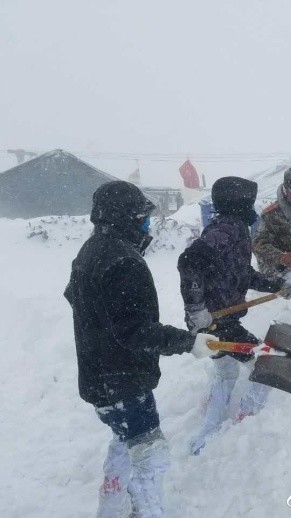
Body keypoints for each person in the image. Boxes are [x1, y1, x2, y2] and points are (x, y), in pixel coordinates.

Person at [64, 181, 218, 518]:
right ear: (125, 217)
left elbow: (75, 297)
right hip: (122, 379)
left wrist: (99, 327)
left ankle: (112, 508)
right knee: (151, 456)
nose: (146, 224)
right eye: (142, 217)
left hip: (98, 377)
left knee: (124, 443)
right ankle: (146, 511)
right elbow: (135, 330)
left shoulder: (91, 251)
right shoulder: (123, 260)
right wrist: (189, 342)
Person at [177, 176, 291, 455]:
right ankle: (246, 423)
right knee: (265, 362)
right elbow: (188, 261)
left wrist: (278, 286)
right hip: (218, 321)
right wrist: (197, 310)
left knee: (225, 372)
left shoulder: (232, 229)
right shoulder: (229, 230)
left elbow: (243, 275)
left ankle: (205, 436)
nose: (253, 206)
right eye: (250, 200)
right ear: (240, 202)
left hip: (215, 322)